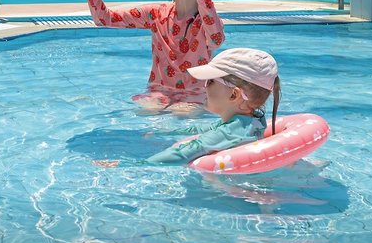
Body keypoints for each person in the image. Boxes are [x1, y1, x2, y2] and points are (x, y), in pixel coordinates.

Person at [86, 0, 225, 114]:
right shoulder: (156, 13)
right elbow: (103, 18)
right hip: (158, 92)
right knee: (147, 111)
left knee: (184, 114)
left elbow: (216, 40)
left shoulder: (208, 20)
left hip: (194, 96)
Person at [93, 48, 281, 167]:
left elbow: (184, 153)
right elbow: (205, 129)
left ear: (234, 95)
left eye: (210, 81)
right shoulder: (252, 119)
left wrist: (129, 164)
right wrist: (164, 132)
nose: (203, 87)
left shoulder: (230, 132)